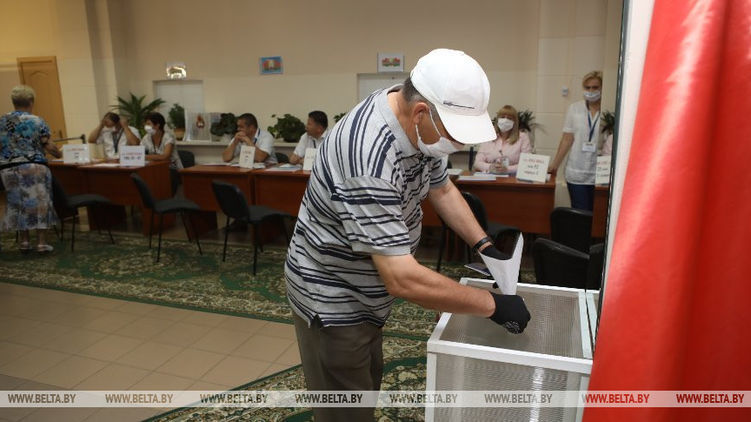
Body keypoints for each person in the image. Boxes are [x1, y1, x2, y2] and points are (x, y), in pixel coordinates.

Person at [285, 49, 531, 421]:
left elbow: (442, 189)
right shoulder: (368, 158)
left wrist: (484, 245)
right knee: (345, 406)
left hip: (368, 292)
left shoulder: (413, 115)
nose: (458, 146)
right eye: (454, 136)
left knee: (365, 384)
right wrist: (492, 306)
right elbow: (401, 277)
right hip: (334, 298)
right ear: (420, 113)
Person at [0, 85, 62, 253]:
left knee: (18, 204)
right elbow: (47, 144)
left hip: (8, 169)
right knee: (39, 203)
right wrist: (58, 153)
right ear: (31, 101)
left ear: (13, 102)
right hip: (33, 167)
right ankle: (41, 243)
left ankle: (24, 242)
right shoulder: (37, 121)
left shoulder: (2, 121)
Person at [549, 71, 603, 211]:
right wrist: (555, 165)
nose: (591, 91)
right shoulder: (575, 108)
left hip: (600, 171)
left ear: (602, 88)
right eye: (587, 87)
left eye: (595, 87)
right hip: (576, 170)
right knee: (580, 212)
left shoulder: (608, 109)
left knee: (598, 214)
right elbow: (567, 139)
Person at [130, 112, 182, 193]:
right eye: (145, 124)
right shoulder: (146, 137)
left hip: (171, 169)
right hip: (154, 168)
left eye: (148, 124)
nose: (145, 126)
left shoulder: (168, 137)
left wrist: (145, 156)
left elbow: (165, 156)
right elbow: (139, 153)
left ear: (157, 125)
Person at [473, 105, 533, 174]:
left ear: (514, 122)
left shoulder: (522, 137)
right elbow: (477, 163)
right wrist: (490, 167)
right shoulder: (489, 136)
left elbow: (526, 164)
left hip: (512, 178)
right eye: (502, 117)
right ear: (498, 119)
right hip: (490, 176)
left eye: (509, 118)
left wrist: (508, 169)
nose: (505, 120)